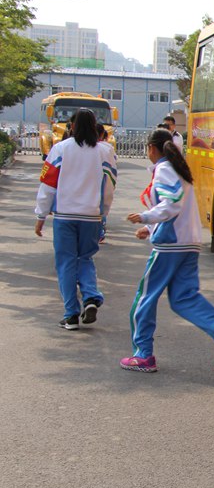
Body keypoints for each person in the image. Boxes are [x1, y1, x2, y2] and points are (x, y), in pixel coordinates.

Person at [122, 128, 214, 373]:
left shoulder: (164, 169)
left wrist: (146, 217)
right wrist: (151, 225)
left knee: (144, 298)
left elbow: (171, 204)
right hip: (188, 243)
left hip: (170, 246)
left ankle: (143, 354)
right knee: (183, 299)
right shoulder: (178, 169)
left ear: (151, 149)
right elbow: (175, 207)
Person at [35, 108, 118, 330]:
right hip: (91, 215)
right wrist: (103, 214)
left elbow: (48, 185)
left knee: (66, 263)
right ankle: (91, 296)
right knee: (85, 258)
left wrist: (41, 215)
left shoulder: (60, 149)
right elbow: (109, 187)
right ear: (95, 128)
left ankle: (71, 314)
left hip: (64, 215)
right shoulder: (105, 151)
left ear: (72, 127)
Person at [96, 123, 115, 244]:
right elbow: (112, 170)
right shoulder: (106, 148)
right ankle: (100, 231)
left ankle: (99, 231)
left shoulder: (67, 146)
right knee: (101, 205)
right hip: (102, 181)